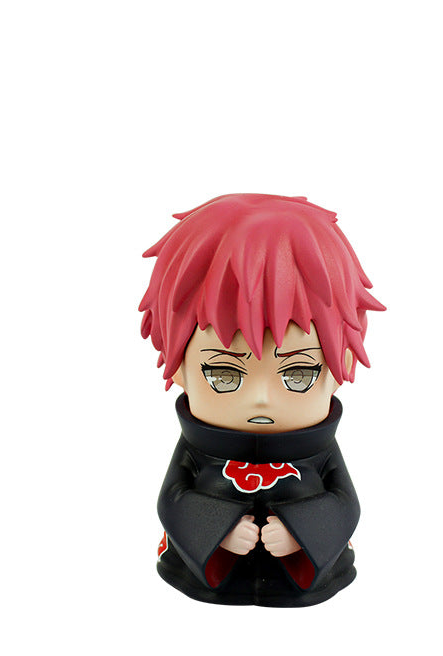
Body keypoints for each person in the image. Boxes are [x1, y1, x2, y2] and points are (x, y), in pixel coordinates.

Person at [140, 194, 385, 606]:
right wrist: (216, 532)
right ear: (179, 365)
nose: (260, 398)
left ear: (340, 365)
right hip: (201, 582)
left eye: (297, 373)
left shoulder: (320, 450)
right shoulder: (196, 449)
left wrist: (301, 535)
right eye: (223, 374)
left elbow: (344, 503)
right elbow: (173, 499)